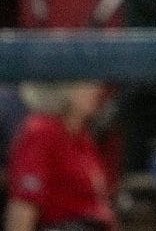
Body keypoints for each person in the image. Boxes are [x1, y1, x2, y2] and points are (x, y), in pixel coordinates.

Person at [4, 81, 116, 231]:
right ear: (62, 89)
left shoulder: (81, 136)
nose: (96, 90)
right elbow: (24, 204)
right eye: (84, 83)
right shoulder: (41, 131)